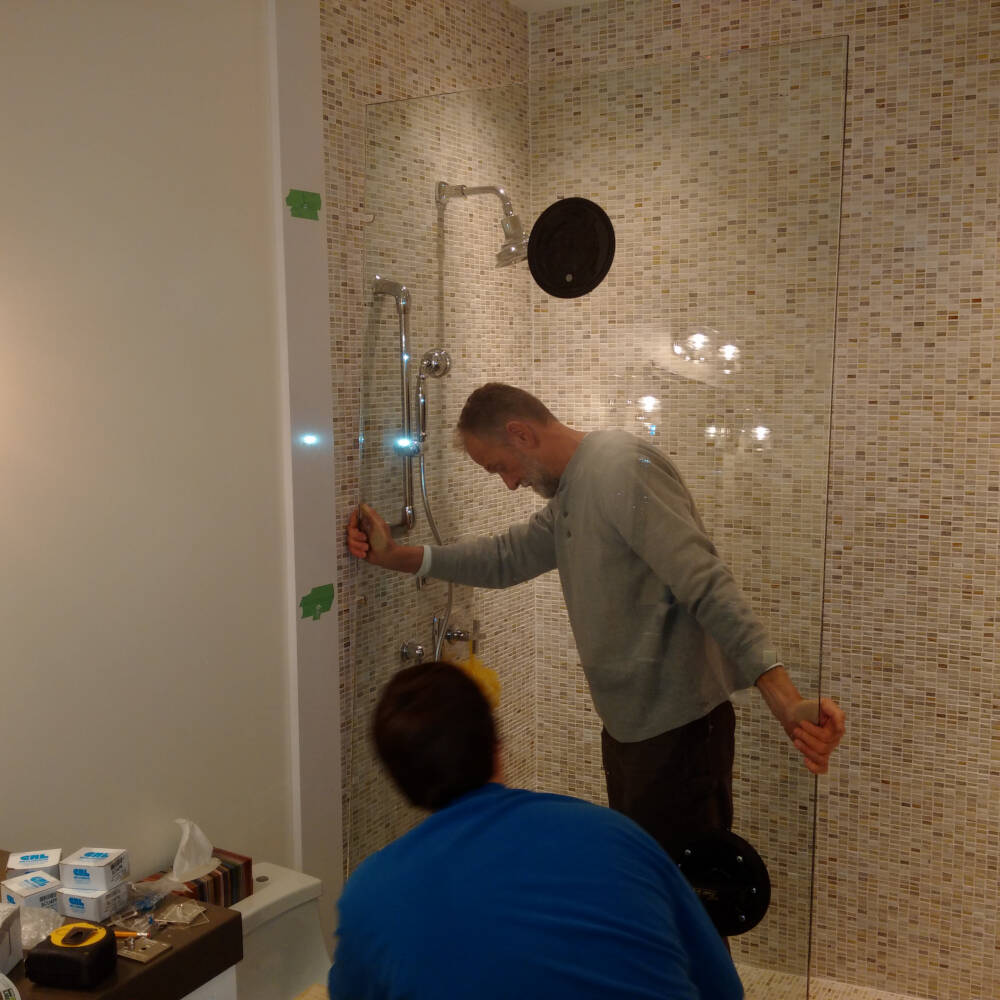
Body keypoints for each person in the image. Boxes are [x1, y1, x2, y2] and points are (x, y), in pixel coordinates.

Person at [347, 382, 845, 861]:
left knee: (680, 901)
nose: (510, 482)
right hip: (632, 732)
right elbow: (505, 558)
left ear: (521, 433)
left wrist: (784, 699)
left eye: (501, 466)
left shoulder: (619, 470)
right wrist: (398, 557)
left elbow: (706, 584)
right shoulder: (573, 491)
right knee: (645, 894)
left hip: (679, 735)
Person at [328, 661, 745, 1000]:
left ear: (400, 781)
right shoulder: (620, 839)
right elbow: (723, 989)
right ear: (497, 745)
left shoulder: (370, 896)